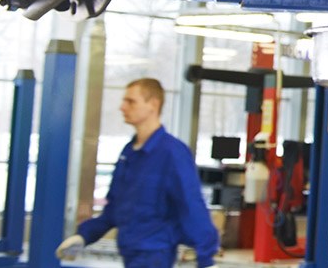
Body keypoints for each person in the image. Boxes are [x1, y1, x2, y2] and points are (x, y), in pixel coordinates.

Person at [56, 78, 220, 268]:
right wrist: (84, 236)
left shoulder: (172, 153)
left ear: (153, 105)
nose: (122, 107)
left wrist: (206, 258)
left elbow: (191, 205)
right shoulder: (129, 153)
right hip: (130, 254)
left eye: (130, 101)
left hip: (155, 256)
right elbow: (115, 208)